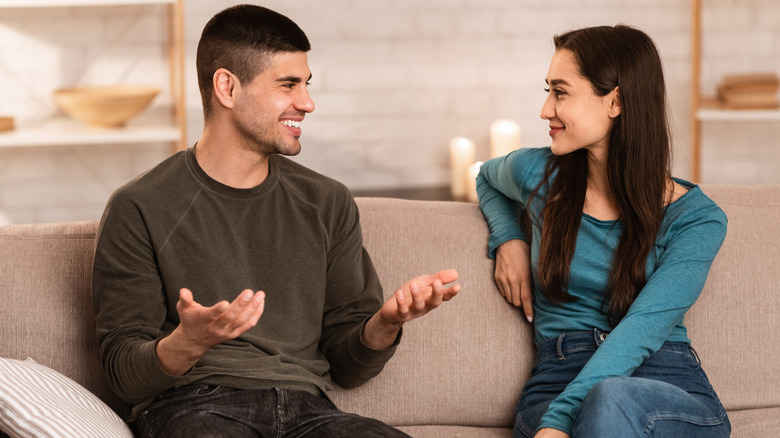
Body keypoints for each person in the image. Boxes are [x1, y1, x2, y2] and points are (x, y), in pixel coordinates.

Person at [92, 5, 460, 437]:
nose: (307, 103)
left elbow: (348, 368)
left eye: (306, 85)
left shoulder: (327, 202)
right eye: (288, 85)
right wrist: (187, 342)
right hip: (196, 408)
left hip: (311, 413)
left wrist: (385, 323)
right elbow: (122, 373)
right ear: (227, 87)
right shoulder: (140, 206)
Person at [476, 25, 730, 438]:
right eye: (548, 91)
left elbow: (643, 328)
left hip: (665, 384)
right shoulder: (539, 175)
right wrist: (509, 239)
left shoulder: (696, 219)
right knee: (605, 403)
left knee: (610, 399)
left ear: (614, 101)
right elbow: (486, 178)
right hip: (558, 377)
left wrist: (560, 423)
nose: (545, 111)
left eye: (560, 92)